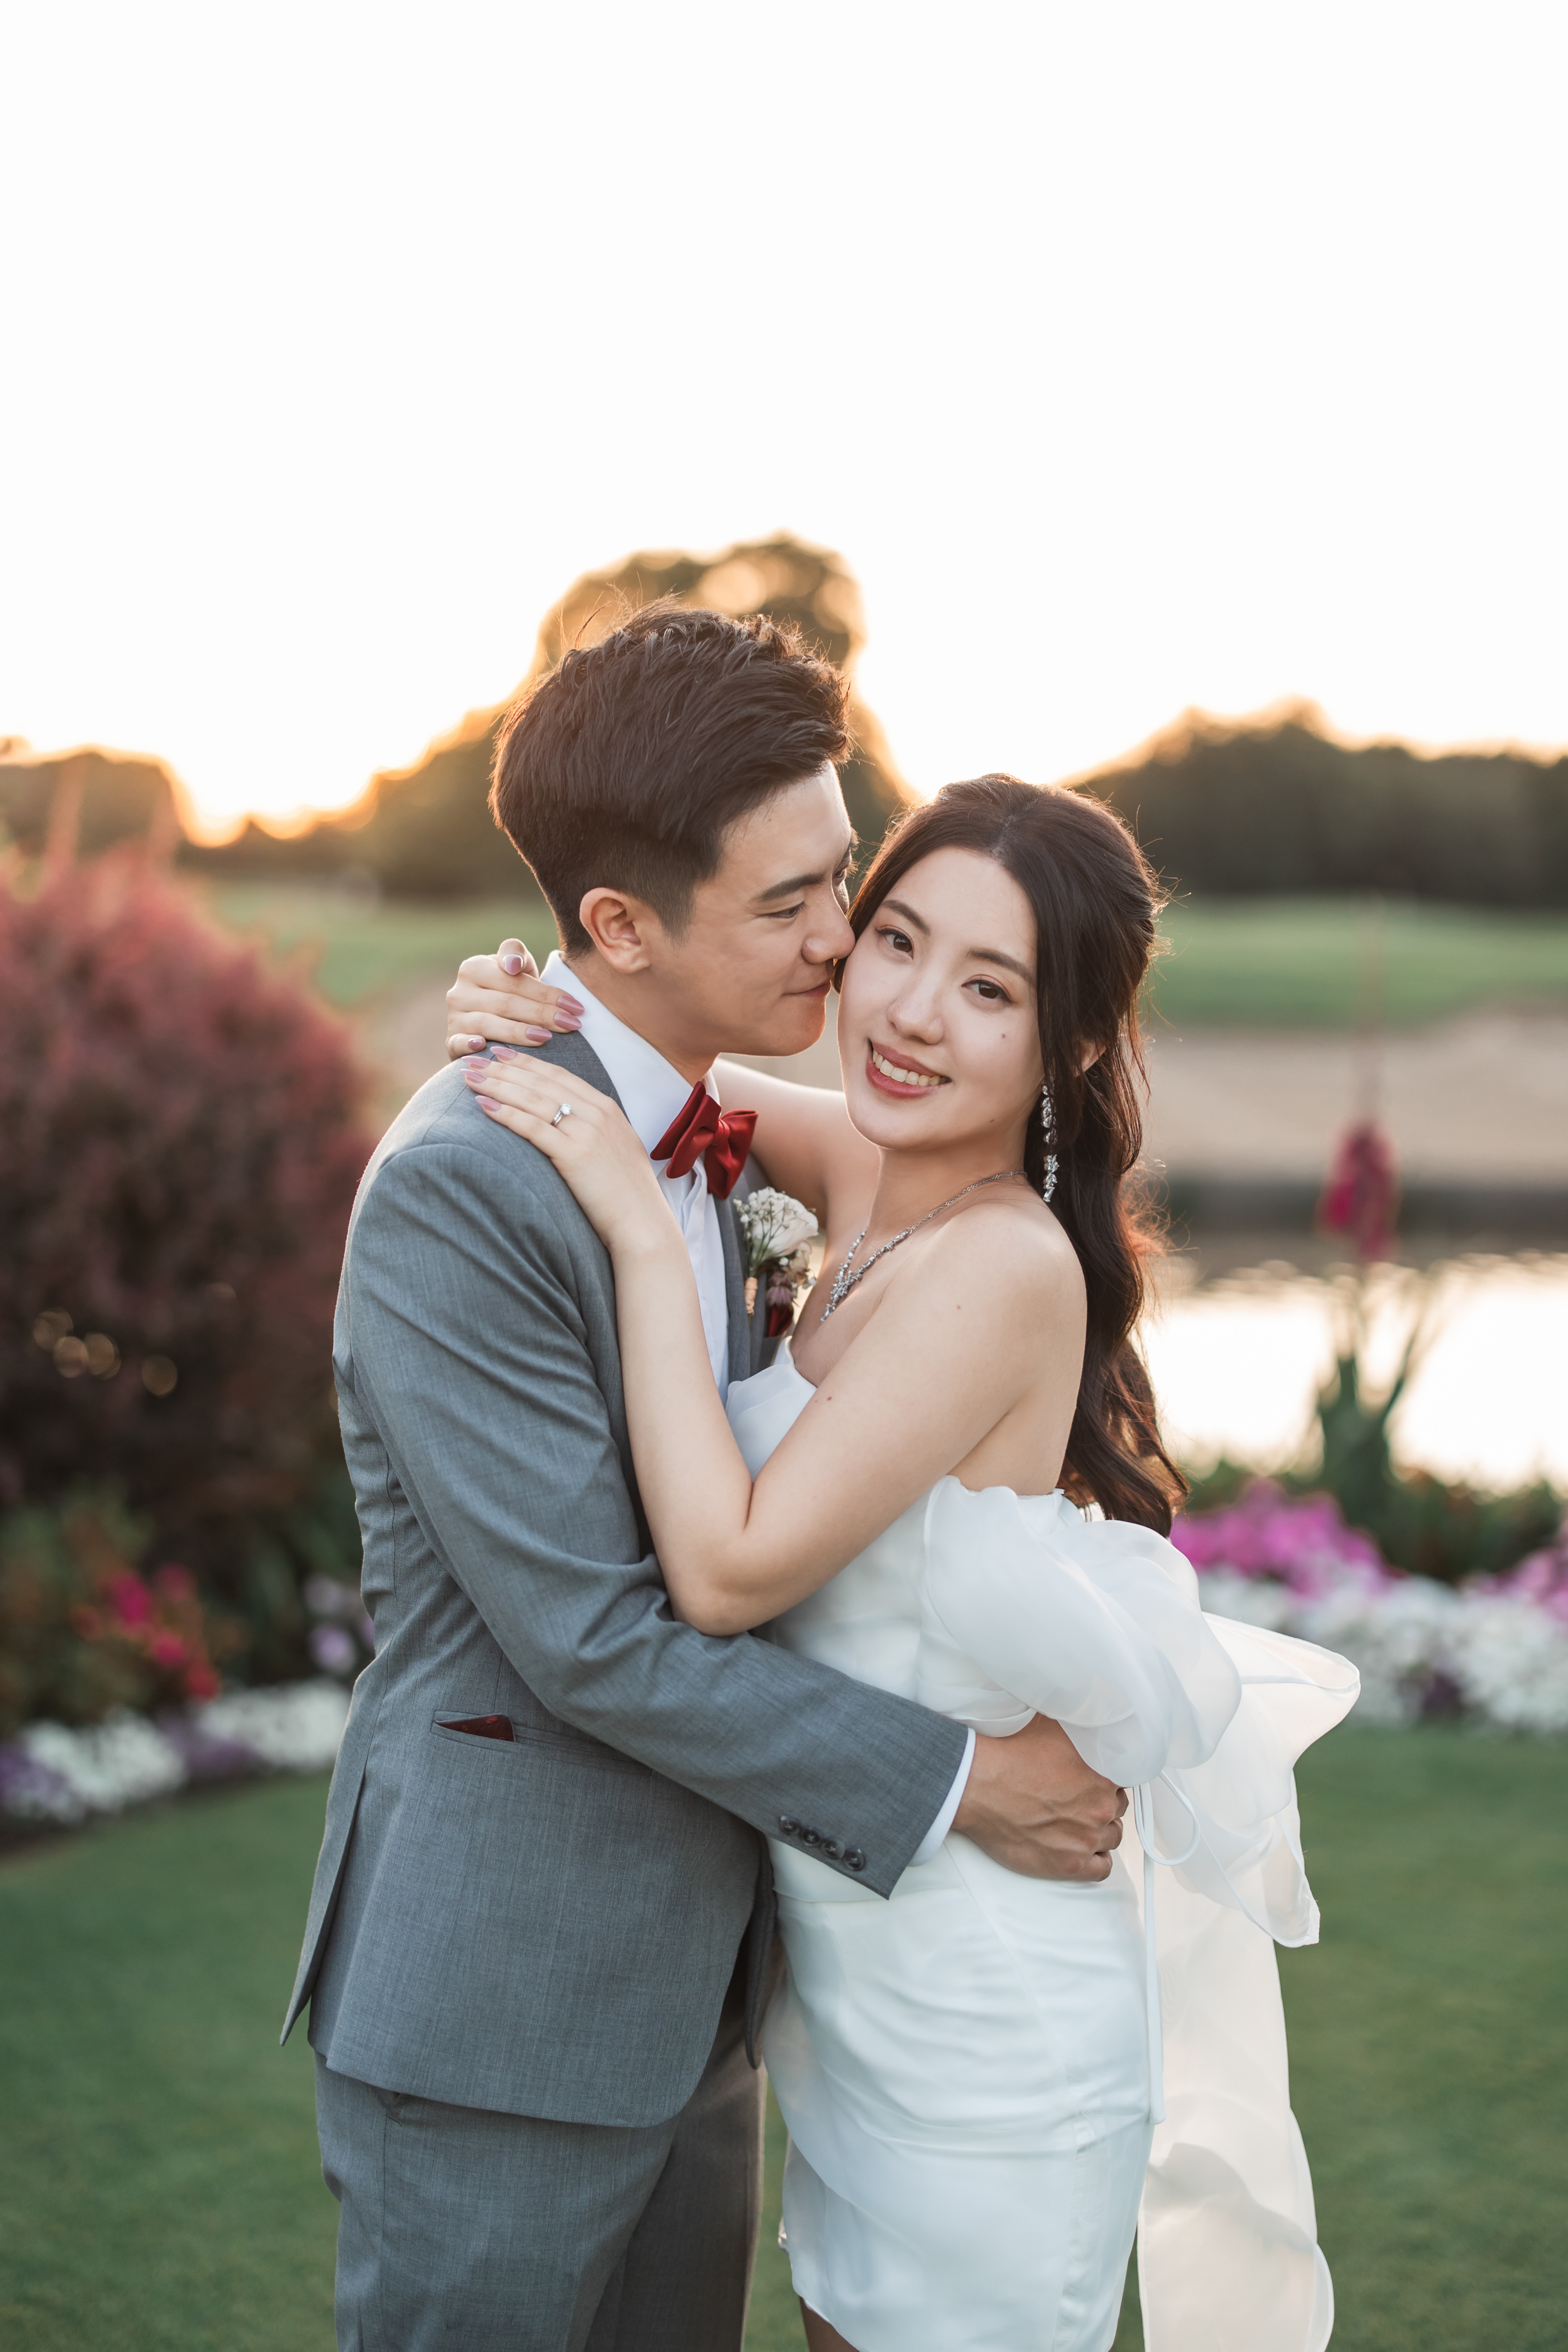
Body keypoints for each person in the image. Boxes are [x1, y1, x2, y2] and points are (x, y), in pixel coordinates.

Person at [286, 607, 1134, 2352]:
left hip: (718, 1996)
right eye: (797, 906)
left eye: (846, 883)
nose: (842, 948)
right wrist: (956, 1784)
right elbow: (594, 1641)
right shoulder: (470, 1186)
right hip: (507, 1996)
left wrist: (535, 1011)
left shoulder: (721, 1140)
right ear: (620, 925)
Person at [452, 770, 1359, 2352]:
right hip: (854, 1986)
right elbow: (676, 1076)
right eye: (896, 941)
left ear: (1071, 1045)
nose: (912, 1014)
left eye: (989, 988)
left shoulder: (1000, 1266)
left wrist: (633, 1228)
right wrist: (524, 994)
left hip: (986, 2020)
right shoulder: (869, 1166)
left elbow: (725, 1574)